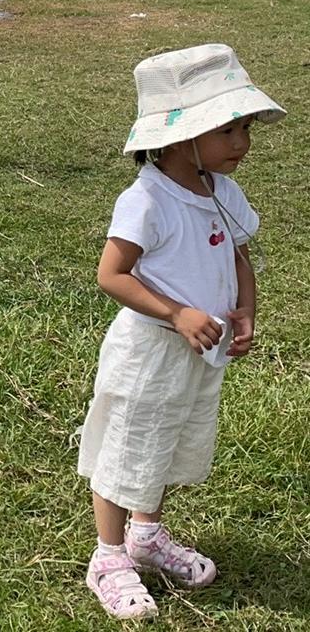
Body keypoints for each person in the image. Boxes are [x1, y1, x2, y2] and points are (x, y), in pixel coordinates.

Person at [77, 43, 285, 620]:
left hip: (202, 352)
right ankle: (109, 555)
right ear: (176, 137)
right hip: (151, 352)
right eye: (226, 129)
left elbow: (240, 254)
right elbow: (112, 275)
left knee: (168, 444)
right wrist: (176, 313)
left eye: (245, 128)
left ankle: (148, 533)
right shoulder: (147, 200)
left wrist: (244, 309)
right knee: (129, 446)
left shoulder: (223, 190)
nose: (241, 143)